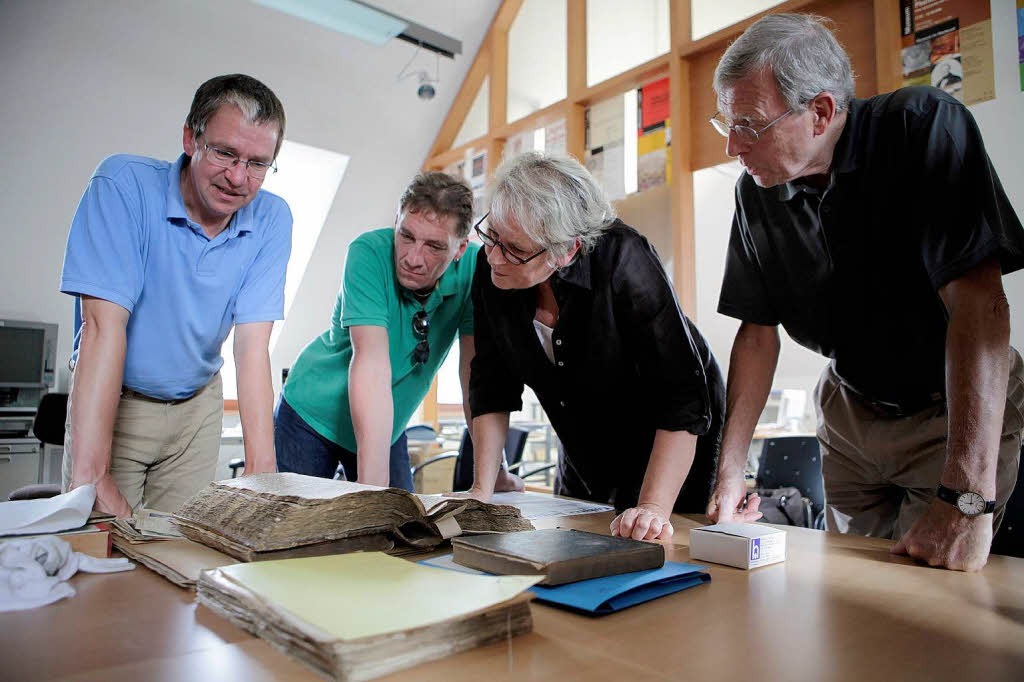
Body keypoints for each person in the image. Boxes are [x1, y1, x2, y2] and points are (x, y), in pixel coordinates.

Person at [704, 14, 1024, 571]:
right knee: (855, 594)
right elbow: (756, 336)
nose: (733, 145)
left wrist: (965, 500)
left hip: (950, 414)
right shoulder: (755, 193)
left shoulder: (921, 127)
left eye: (750, 125)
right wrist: (730, 471)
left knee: (939, 605)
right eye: (726, 124)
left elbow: (980, 303)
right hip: (850, 415)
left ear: (822, 112)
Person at [461, 151, 725, 542]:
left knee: (656, 543)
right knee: (577, 538)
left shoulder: (624, 259)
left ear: (566, 250)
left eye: (514, 249)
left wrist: (652, 508)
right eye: (491, 235)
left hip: (668, 439)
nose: (493, 255)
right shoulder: (493, 271)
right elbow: (490, 384)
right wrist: (481, 491)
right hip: (581, 436)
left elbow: (681, 397)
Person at [60, 74, 292, 516]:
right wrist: (90, 477)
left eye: (257, 163)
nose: (238, 177)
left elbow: (252, 345)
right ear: (191, 138)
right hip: (120, 404)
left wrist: (262, 468)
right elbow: (102, 329)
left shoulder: (272, 218)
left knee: (181, 554)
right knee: (100, 546)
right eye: (225, 152)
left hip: (197, 408)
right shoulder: (122, 186)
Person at [275, 171, 524, 493]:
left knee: (399, 530)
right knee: (303, 531)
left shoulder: (476, 268)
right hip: (311, 414)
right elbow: (372, 364)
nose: (412, 258)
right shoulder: (368, 253)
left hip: (387, 426)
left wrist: (494, 472)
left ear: (460, 248)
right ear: (396, 221)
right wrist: (373, 492)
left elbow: (475, 375)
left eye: (434, 246)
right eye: (406, 236)